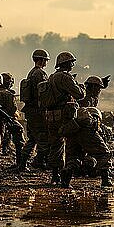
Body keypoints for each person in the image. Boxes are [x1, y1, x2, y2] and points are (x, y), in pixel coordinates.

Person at [43, 51, 84, 185]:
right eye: (72, 62)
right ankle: (66, 173)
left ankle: (55, 176)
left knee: (55, 145)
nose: (73, 64)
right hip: (63, 116)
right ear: (67, 63)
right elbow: (79, 95)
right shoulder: (65, 77)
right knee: (70, 145)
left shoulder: (52, 76)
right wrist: (80, 86)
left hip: (51, 116)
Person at [63, 107, 113, 188]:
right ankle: (105, 180)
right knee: (105, 154)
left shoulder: (76, 121)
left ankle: (66, 180)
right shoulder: (91, 123)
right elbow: (99, 147)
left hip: (72, 134)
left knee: (73, 157)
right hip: (87, 133)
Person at [0, 72, 25, 168]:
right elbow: (12, 111)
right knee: (18, 135)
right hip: (1, 120)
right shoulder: (7, 94)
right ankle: (20, 162)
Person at [18, 49, 50, 171]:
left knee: (32, 139)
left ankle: (23, 164)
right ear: (41, 60)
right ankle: (40, 162)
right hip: (37, 111)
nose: (46, 62)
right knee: (42, 138)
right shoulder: (40, 74)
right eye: (45, 60)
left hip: (31, 110)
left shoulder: (31, 73)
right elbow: (43, 93)